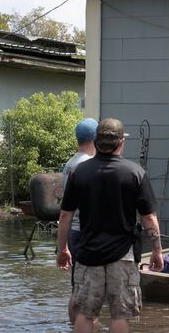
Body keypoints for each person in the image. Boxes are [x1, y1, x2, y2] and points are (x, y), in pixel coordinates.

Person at [56, 118, 163, 333]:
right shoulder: (135, 173)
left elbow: (66, 214)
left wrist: (62, 249)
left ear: (96, 142)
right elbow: (148, 217)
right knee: (120, 313)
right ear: (121, 142)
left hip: (88, 254)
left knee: (85, 312)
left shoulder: (79, 172)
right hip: (122, 255)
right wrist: (157, 250)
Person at [62, 117, 98, 324]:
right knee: (88, 288)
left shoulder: (71, 162)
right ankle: (86, 326)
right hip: (84, 232)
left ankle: (73, 326)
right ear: (95, 138)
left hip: (73, 232)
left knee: (77, 286)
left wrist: (62, 245)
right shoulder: (87, 165)